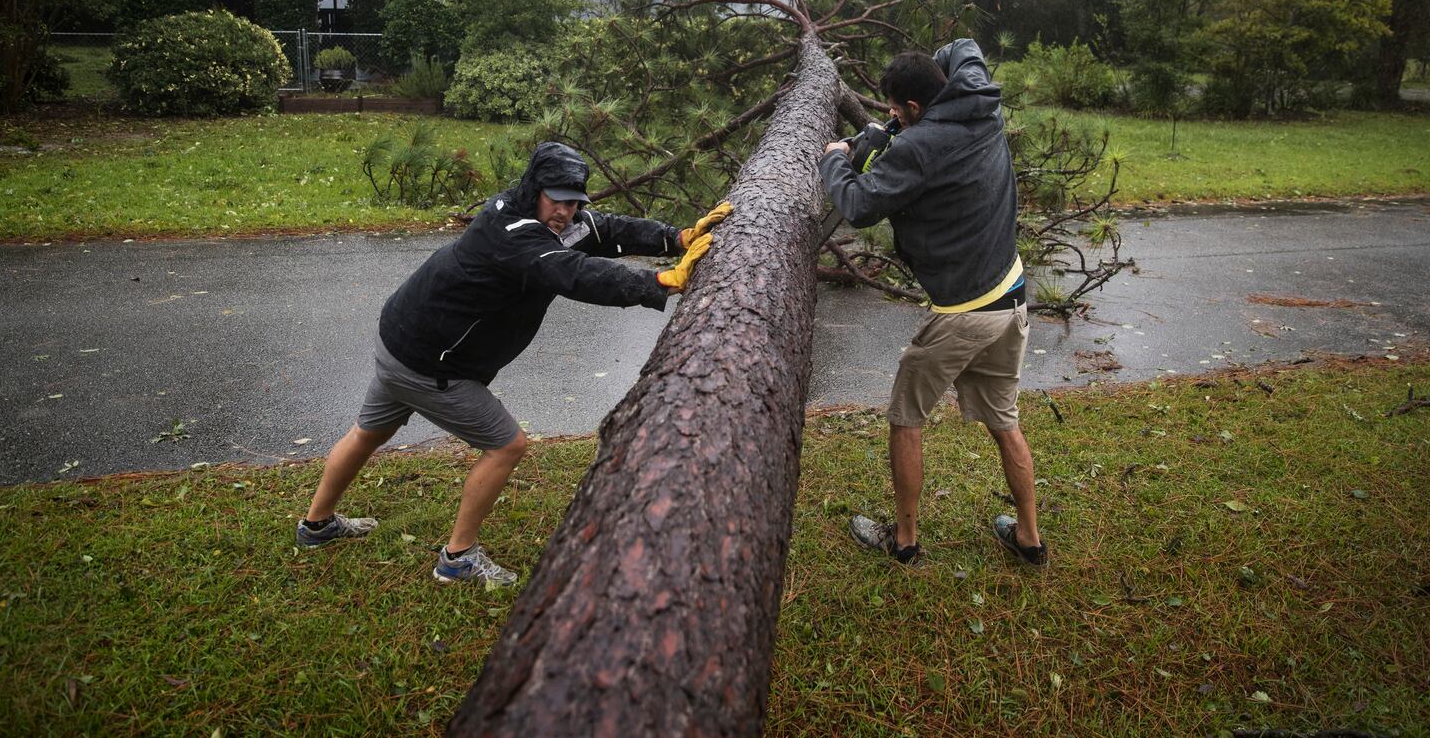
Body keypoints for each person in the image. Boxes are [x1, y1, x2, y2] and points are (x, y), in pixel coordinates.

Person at [295, 141, 732, 585]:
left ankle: (316, 526)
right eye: (556, 200)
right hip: (429, 362)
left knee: (369, 431)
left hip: (402, 337)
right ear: (534, 189)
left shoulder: (551, 218)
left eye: (573, 202)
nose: (566, 212)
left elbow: (603, 230)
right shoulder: (513, 232)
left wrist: (675, 238)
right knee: (507, 446)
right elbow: (573, 272)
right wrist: (660, 281)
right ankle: (458, 558)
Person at [819, 41, 1045, 567]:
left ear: (916, 108)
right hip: (1011, 296)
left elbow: (858, 205)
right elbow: (963, 45)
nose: (892, 119)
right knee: (1004, 420)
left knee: (906, 416)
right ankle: (1030, 539)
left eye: (897, 111)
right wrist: (889, 126)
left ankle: (903, 541)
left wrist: (836, 160)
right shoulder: (979, 102)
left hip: (965, 312)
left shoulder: (920, 150)